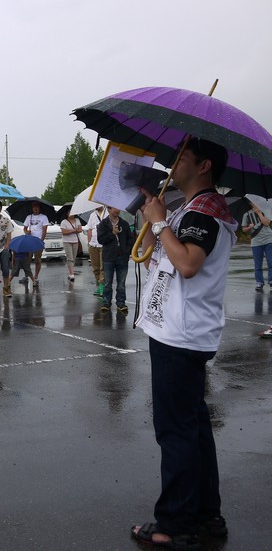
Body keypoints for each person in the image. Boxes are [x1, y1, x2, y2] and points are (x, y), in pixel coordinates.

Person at [131, 138, 236, 549]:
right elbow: (163, 257)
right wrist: (154, 218)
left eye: (184, 158)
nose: (174, 164)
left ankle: (175, 525)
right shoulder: (191, 208)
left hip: (181, 334)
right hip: (180, 329)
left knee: (176, 431)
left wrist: (160, 223)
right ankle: (206, 516)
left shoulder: (205, 211)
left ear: (204, 165)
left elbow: (189, 263)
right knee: (193, 427)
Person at [96, 207, 134, 313]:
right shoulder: (103, 224)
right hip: (108, 257)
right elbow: (101, 239)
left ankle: (121, 303)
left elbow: (130, 239)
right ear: (109, 209)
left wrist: (127, 252)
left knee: (121, 283)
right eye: (114, 208)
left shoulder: (124, 224)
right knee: (108, 282)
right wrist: (112, 233)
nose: (117, 210)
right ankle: (106, 302)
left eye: (118, 208)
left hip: (122, 256)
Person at [241, 201, 272, 291]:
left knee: (271, 262)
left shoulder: (266, 211)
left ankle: (271, 281)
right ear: (250, 203)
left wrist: (259, 213)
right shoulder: (246, 214)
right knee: (258, 265)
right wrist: (249, 227)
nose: (255, 203)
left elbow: (267, 223)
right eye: (253, 202)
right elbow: (244, 229)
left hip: (269, 240)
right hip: (256, 242)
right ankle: (259, 283)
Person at [23, 202, 49, 286]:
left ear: (39, 208)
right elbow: (25, 228)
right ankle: (27, 276)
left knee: (37, 260)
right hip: (29, 241)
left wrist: (41, 240)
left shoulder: (44, 217)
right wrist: (27, 232)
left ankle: (36, 276)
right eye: (34, 207)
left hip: (38, 241)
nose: (35, 208)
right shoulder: (28, 217)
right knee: (28, 260)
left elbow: (44, 230)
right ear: (32, 208)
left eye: (37, 207)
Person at [86, 205, 106, 297]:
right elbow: (90, 229)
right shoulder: (93, 215)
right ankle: (99, 283)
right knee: (95, 267)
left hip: (103, 245)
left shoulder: (107, 213)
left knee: (103, 267)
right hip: (93, 244)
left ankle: (102, 286)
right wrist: (89, 242)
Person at [60, 212, 84, 282]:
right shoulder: (64, 222)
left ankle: (70, 271)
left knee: (73, 257)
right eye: (69, 213)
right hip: (67, 242)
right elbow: (64, 232)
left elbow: (80, 229)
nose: (71, 214)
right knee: (70, 258)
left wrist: (70, 231)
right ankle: (72, 273)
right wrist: (74, 230)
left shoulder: (77, 220)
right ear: (67, 214)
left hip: (75, 241)